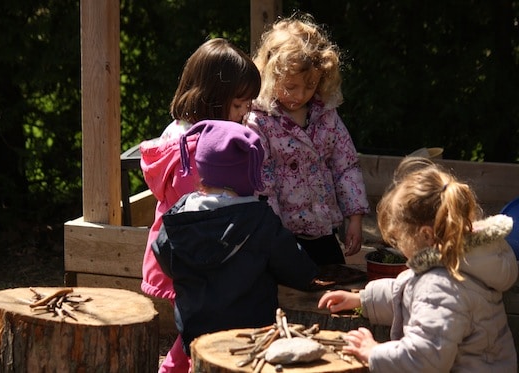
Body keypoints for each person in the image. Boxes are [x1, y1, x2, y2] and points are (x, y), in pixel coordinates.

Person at [318, 157, 518, 372]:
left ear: (425, 235)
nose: (399, 246)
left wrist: (372, 352)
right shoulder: (466, 260)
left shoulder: (440, 284)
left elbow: (425, 358)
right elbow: (408, 291)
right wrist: (362, 299)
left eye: (398, 239)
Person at [139, 38, 261, 373]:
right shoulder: (200, 148)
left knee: (197, 326)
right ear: (214, 99)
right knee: (199, 330)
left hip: (178, 251)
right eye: (239, 106)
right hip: (196, 254)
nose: (244, 115)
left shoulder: (177, 133)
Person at [152, 120, 319, 356]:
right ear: (249, 173)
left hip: (197, 336)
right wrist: (311, 275)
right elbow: (293, 264)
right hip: (251, 337)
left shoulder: (181, 214)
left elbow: (163, 253)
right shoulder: (260, 219)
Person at [245, 13, 369, 265]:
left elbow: (345, 166)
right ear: (270, 75)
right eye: (291, 87)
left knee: (333, 287)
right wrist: (277, 239)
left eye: (310, 85)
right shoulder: (259, 121)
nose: (301, 95)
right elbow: (262, 186)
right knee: (289, 296)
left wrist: (354, 217)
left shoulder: (326, 114)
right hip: (283, 237)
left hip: (324, 230)